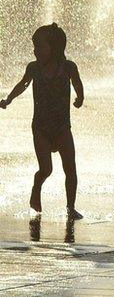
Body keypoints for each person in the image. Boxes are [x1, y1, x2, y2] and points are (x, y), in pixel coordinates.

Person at [0, 24, 84, 220]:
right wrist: (8, 99)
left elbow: (77, 83)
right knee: (46, 169)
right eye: (34, 46)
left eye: (39, 46)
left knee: (70, 168)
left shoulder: (68, 67)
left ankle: (71, 207)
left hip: (63, 127)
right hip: (41, 128)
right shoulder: (34, 68)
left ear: (54, 48)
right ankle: (36, 189)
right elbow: (22, 84)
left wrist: (81, 97)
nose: (35, 50)